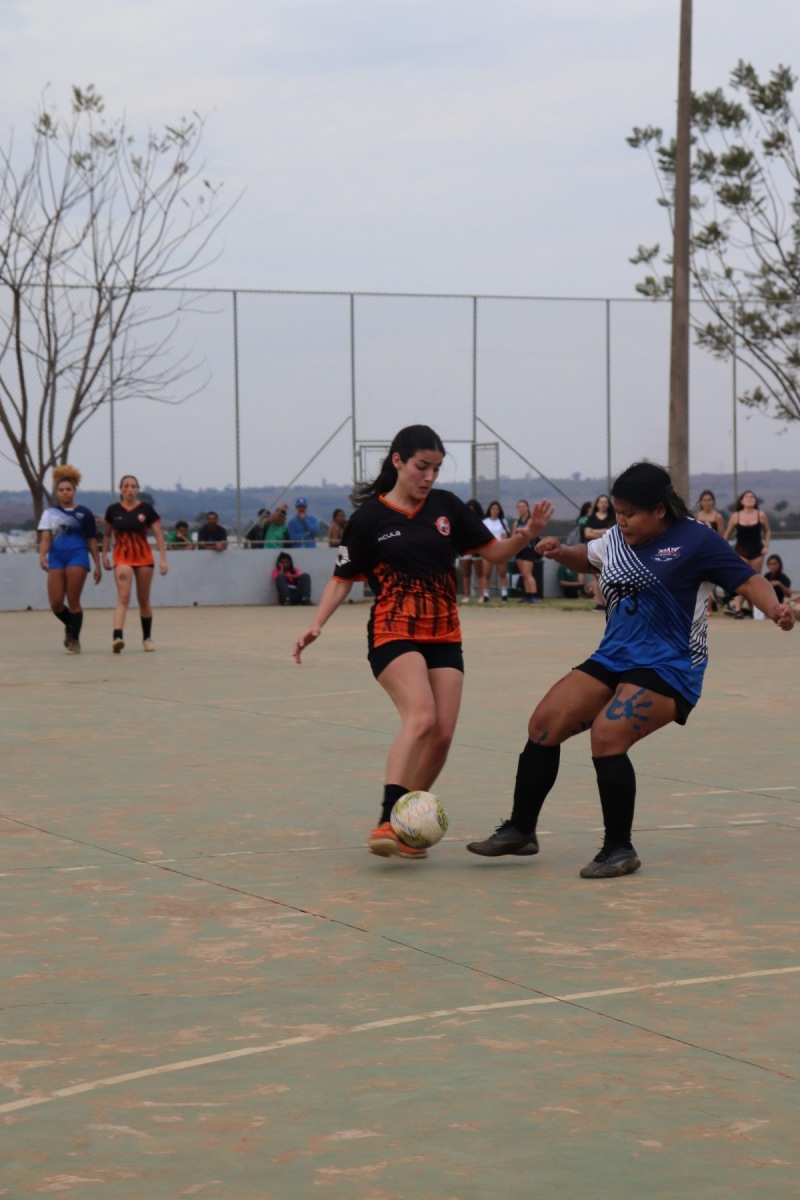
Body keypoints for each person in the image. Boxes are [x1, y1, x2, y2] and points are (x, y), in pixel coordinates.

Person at [467, 462, 794, 878]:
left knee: (608, 733)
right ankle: (520, 829)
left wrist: (775, 608)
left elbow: (748, 581)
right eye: (618, 512)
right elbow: (590, 558)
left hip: (671, 665)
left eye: (630, 514)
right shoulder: (618, 538)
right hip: (614, 656)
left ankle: (619, 848)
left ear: (659, 510)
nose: (621, 521)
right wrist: (559, 551)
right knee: (544, 723)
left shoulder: (698, 540)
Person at [292, 424, 554, 860]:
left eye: (436, 468)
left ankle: (406, 825)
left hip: (444, 633)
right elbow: (341, 579)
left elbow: (493, 553)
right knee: (422, 716)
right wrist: (316, 624)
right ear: (398, 461)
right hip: (393, 631)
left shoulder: (446, 507)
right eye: (421, 466)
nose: (429, 476)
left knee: (443, 734)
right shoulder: (369, 519)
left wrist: (527, 533)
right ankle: (385, 820)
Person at [37, 465, 102, 654]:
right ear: (57, 492)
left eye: (68, 489)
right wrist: (42, 555)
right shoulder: (49, 513)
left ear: (74, 491)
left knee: (73, 599)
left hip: (77, 556)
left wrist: (97, 565)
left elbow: (91, 540)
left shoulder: (85, 513)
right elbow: (46, 537)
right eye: (61, 490)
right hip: (56, 557)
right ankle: (70, 625)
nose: (65, 493)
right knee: (56, 603)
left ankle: (75, 640)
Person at [102, 475, 168, 653]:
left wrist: (163, 559)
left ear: (137, 489)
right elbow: (107, 534)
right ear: (121, 489)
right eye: (126, 486)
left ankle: (147, 638)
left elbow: (158, 534)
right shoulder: (113, 510)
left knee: (144, 600)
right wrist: (104, 555)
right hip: (122, 558)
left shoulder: (146, 509)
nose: (129, 489)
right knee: (123, 598)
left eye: (133, 486)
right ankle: (117, 637)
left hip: (144, 558)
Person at [723, 490, 771, 617]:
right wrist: (722, 547)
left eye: (752, 497)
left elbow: (767, 531)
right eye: (747, 497)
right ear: (742, 501)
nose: (750, 499)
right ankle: (738, 608)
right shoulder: (736, 516)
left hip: (757, 551)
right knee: (742, 579)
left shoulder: (761, 514)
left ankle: (755, 610)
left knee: (755, 580)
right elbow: (727, 534)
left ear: (755, 501)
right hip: (740, 551)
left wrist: (766, 546)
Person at [584, 494, 615, 610]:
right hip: (594, 550)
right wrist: (604, 532)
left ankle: (609, 602)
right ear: (597, 504)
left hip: (609, 550)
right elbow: (587, 534)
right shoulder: (591, 518)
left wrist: (595, 531)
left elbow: (613, 532)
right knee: (596, 577)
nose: (603, 504)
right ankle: (599, 603)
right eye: (601, 502)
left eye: (606, 502)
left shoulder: (612, 517)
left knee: (608, 577)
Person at [511, 499, 542, 605]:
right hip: (519, 549)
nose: (521, 509)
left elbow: (529, 533)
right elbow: (513, 536)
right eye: (519, 507)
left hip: (528, 549)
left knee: (527, 573)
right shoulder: (517, 522)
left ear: (527, 508)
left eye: (523, 506)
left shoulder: (530, 520)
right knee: (523, 574)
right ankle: (527, 595)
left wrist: (521, 532)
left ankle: (534, 595)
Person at [480, 500, 511, 601]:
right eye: (493, 508)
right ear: (490, 510)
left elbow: (505, 535)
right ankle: (485, 595)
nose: (495, 511)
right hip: (489, 549)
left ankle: (504, 594)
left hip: (499, 549)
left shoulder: (502, 521)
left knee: (502, 572)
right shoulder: (485, 522)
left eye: (497, 509)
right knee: (486, 573)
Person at [459, 499, 484, 602]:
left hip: (477, 549)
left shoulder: (481, 521)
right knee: (466, 573)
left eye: (473, 510)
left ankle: (482, 595)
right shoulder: (462, 521)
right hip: (465, 548)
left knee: (479, 573)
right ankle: (466, 595)